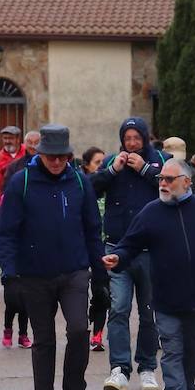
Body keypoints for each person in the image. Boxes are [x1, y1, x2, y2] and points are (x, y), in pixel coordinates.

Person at [103, 158, 195, 390]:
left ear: (186, 181)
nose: (162, 183)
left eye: (168, 179)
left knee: (193, 353)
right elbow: (131, 243)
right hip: (165, 298)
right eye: (160, 178)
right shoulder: (151, 212)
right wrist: (119, 257)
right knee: (172, 350)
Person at [0, 124, 106, 390]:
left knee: (78, 331)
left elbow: (91, 230)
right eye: (50, 157)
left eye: (61, 157)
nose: (56, 162)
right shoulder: (23, 182)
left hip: (73, 270)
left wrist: (99, 275)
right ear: (40, 154)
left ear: (69, 156)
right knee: (44, 341)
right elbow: (7, 233)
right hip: (34, 274)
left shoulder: (80, 182)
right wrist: (10, 275)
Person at [92, 117, 164, 390]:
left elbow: (173, 186)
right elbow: (91, 187)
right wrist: (111, 171)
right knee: (119, 308)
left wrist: (145, 170)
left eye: (137, 138)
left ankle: (147, 367)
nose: (132, 144)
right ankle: (119, 369)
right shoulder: (113, 161)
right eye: (127, 138)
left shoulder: (159, 160)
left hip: (150, 250)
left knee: (148, 312)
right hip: (116, 248)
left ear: (145, 138)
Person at [79, 147, 110, 353]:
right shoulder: (80, 187)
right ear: (87, 166)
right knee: (79, 293)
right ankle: (80, 329)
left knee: (102, 293)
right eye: (97, 163)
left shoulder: (111, 187)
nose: (101, 167)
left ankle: (97, 333)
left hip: (104, 249)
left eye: (103, 163)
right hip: (82, 248)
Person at [0, 125, 22, 212]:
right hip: (6, 201)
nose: (7, 141)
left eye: (10, 138)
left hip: (25, 199)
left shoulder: (26, 153)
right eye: (5, 138)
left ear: (18, 139)